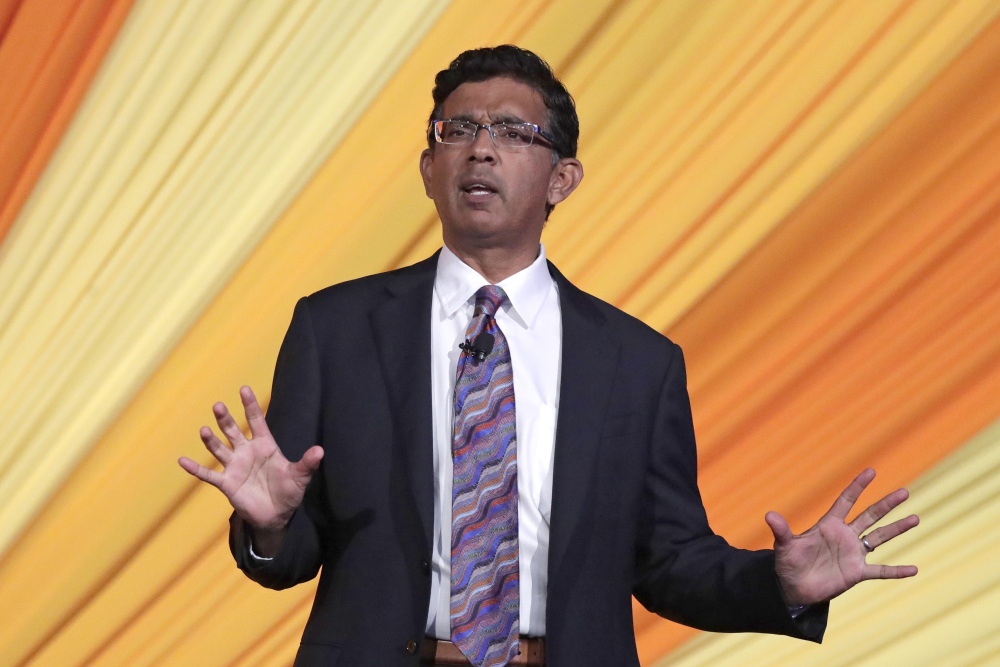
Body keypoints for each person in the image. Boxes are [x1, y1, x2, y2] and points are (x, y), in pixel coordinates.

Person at [178, 45, 919, 667]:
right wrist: (272, 526)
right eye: (457, 128)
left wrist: (779, 584)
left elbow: (668, 562)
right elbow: (294, 553)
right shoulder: (334, 328)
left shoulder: (637, 362)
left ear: (563, 177)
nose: (480, 146)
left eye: (511, 130)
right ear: (428, 168)